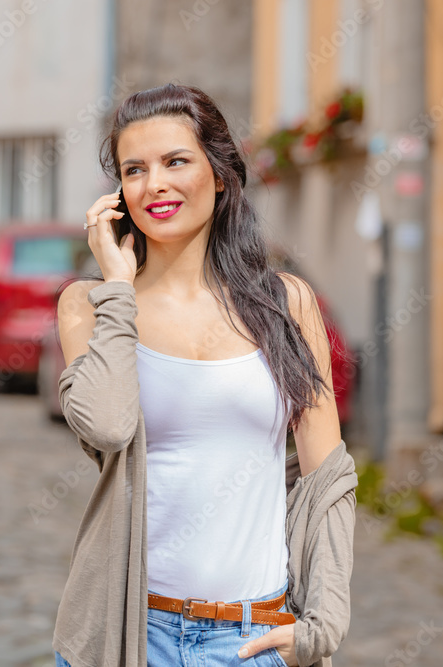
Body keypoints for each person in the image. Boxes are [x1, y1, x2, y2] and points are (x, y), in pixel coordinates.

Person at [52, 83, 356, 667]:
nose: (154, 184)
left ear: (219, 175)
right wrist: (118, 285)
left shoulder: (285, 303)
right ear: (117, 193)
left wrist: (323, 622)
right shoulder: (89, 307)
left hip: (253, 639)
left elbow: (327, 475)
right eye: (133, 169)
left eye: (176, 161)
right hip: (129, 635)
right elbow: (110, 429)